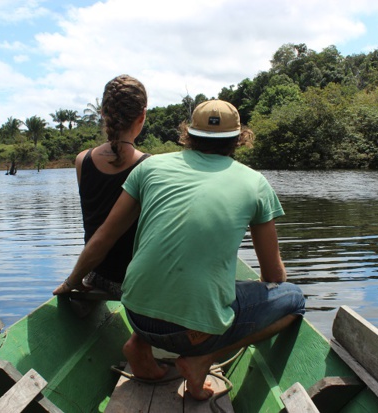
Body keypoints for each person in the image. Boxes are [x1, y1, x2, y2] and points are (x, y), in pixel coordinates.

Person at [54, 99, 305, 400]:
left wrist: (71, 282)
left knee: (170, 276)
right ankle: (201, 361)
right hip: (194, 337)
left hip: (135, 313)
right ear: (240, 138)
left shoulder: (150, 167)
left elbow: (102, 239)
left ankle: (138, 346)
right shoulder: (255, 183)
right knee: (293, 299)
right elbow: (273, 275)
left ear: (188, 134)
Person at [72, 74, 150, 299]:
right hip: (131, 281)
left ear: (103, 114)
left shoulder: (82, 161)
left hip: (95, 276)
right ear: (142, 115)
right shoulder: (149, 166)